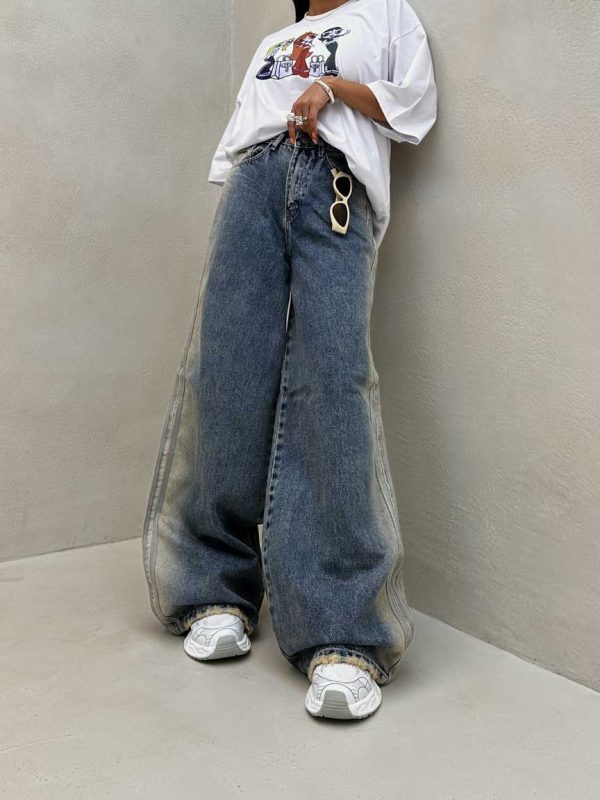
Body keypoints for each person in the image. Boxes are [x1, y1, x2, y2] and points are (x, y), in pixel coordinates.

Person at [142, 0, 437, 721]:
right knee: (227, 376)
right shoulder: (276, 39)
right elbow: (241, 142)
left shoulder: (387, 15)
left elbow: (413, 108)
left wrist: (332, 89)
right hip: (254, 186)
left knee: (333, 385)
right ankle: (213, 590)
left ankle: (345, 632)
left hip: (335, 187)